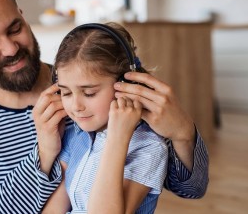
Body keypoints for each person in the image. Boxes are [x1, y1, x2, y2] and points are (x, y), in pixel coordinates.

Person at [0, 0, 208, 213]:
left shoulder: (96, 84)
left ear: (23, 16)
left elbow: (191, 189)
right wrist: (43, 155)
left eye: (15, 28)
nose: (10, 48)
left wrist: (183, 133)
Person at [35, 22, 169, 213]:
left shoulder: (149, 148)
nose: (76, 107)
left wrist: (117, 137)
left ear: (126, 85)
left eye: (89, 93)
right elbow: (54, 209)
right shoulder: (77, 134)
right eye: (66, 93)